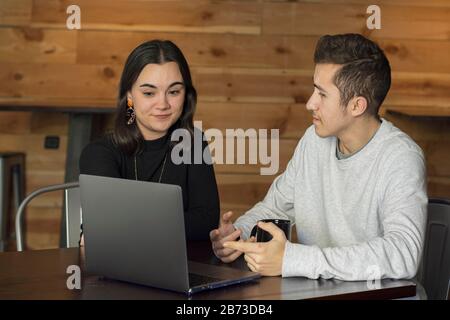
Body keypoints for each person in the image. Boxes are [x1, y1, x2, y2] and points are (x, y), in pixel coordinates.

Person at [210, 33, 427, 280]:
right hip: (316, 293)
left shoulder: (401, 158)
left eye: (322, 95)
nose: (310, 103)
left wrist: (293, 259)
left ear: (357, 106)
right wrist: (237, 235)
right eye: (315, 90)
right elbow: (275, 208)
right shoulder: (313, 141)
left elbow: (403, 253)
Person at [80, 40, 220, 241]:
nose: (162, 104)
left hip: (182, 268)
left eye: (173, 92)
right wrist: (177, 223)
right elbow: (106, 226)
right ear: (129, 96)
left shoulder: (195, 144)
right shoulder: (99, 153)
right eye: (148, 93)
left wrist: (129, 223)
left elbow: (206, 222)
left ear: (186, 95)